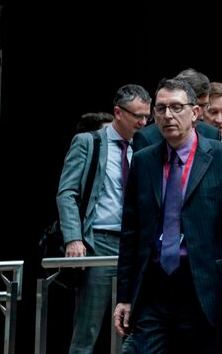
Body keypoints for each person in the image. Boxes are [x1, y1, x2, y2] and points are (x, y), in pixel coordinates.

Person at [113, 78, 222, 354]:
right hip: (154, 288)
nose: (168, 115)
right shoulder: (144, 161)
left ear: (195, 113)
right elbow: (131, 233)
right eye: (161, 108)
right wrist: (124, 296)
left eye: (177, 107)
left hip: (204, 288)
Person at [56, 84, 151, 354]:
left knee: (136, 325)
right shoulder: (90, 142)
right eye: (137, 116)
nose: (143, 123)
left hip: (136, 245)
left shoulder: (147, 146)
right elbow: (67, 192)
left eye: (147, 117)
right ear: (118, 113)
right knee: (88, 327)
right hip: (99, 240)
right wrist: (73, 238)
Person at [133, 69, 220, 150]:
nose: (198, 113)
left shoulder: (212, 134)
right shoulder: (146, 138)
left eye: (204, 105)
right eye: (177, 106)